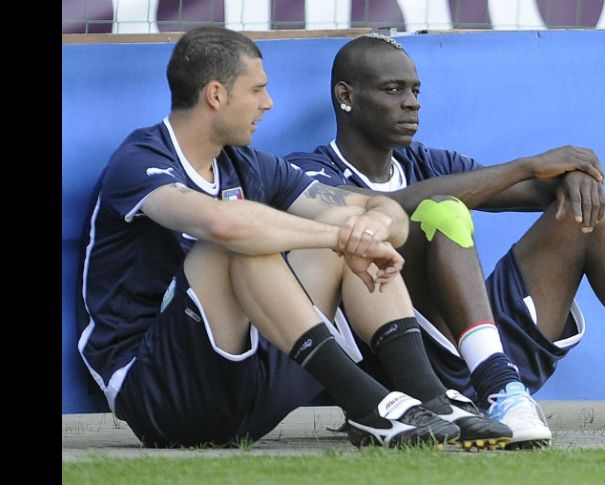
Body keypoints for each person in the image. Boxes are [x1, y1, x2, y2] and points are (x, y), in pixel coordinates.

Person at [76, 26, 514, 450]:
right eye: (257, 90)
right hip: (158, 394)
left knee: (338, 236)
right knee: (240, 241)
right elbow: (225, 225)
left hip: (248, 394)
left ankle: (430, 398)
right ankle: (368, 403)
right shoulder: (140, 160)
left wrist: (372, 229)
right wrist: (340, 236)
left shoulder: (252, 166)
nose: (268, 104)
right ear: (215, 95)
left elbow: (377, 208)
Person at [285, 34, 605, 446]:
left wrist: (572, 176)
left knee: (589, 216)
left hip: (489, 354)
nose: (412, 102)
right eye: (393, 90)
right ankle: (500, 390)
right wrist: (529, 164)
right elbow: (378, 207)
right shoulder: (305, 172)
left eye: (415, 90)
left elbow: (538, 190)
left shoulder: (431, 161)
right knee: (441, 210)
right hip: (414, 381)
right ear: (346, 96)